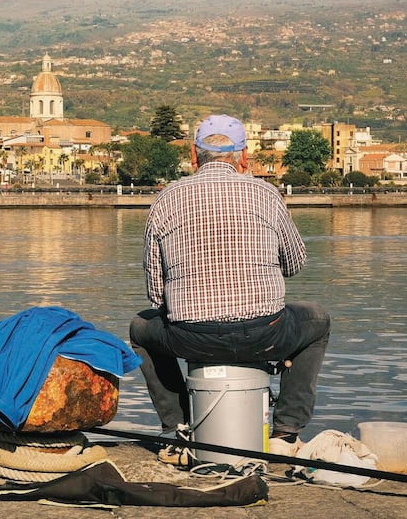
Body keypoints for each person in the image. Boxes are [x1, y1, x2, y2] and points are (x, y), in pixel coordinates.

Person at [129, 114, 330, 464]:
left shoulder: (166, 199)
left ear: (194, 155)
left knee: (139, 328)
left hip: (189, 335)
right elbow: (295, 264)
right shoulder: (266, 193)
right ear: (243, 156)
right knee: (317, 322)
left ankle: (177, 428)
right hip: (265, 332)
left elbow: (155, 293)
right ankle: (285, 432)